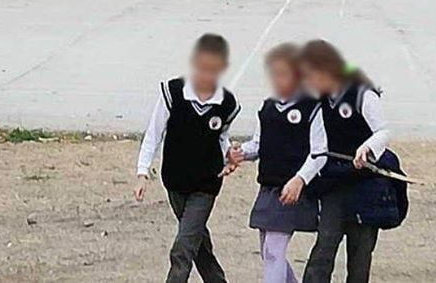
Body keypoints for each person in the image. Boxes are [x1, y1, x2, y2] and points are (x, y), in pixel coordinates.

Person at [135, 34, 240, 283]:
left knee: (183, 247)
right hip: (175, 180)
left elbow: (221, 137)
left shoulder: (227, 104)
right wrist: (142, 173)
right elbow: (154, 134)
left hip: (206, 183)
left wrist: (229, 156)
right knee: (195, 238)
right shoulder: (173, 93)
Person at [228, 43, 322, 283]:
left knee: (273, 250)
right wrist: (241, 153)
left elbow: (319, 152)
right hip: (269, 188)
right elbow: (258, 144)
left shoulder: (313, 107)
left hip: (292, 188)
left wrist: (300, 180)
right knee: (268, 250)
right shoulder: (268, 106)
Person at [299, 40, 390, 283]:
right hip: (335, 184)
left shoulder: (363, 94)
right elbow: (318, 147)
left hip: (366, 185)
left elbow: (382, 131)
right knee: (324, 248)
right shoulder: (320, 101)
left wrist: (367, 148)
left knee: (360, 256)